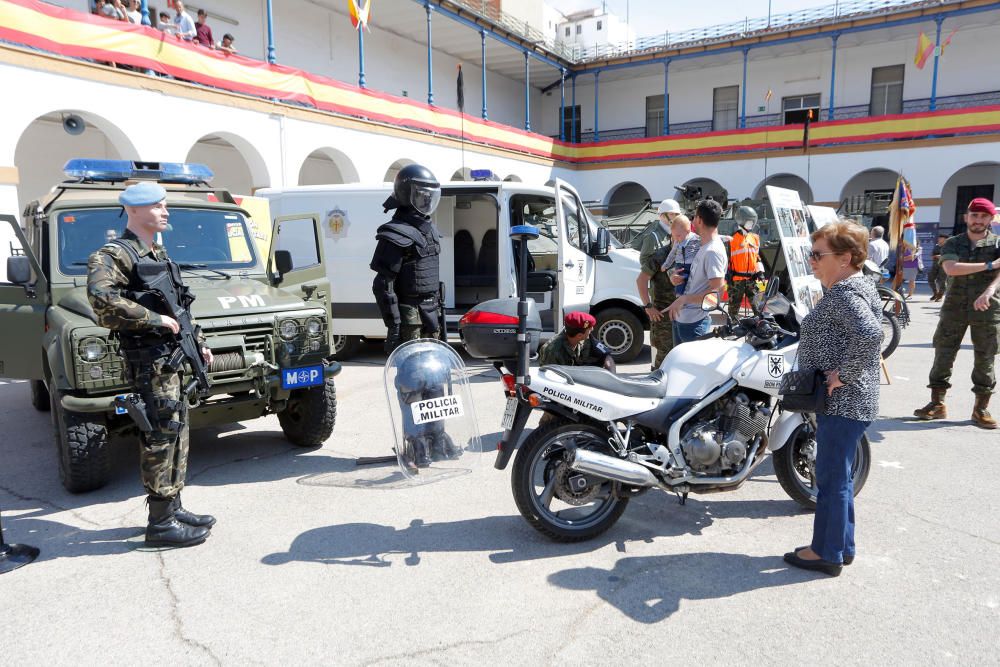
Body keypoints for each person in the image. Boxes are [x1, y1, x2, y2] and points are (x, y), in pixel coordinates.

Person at [86, 182, 216, 548]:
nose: (165, 211)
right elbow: (101, 300)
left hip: (171, 360)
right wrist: (152, 320)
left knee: (176, 429)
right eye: (158, 206)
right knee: (159, 435)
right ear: (134, 210)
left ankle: (173, 505)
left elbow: (180, 306)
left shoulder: (157, 253)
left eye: (164, 205)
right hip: (150, 362)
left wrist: (199, 343)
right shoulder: (114, 255)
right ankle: (159, 523)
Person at [784, 221, 882, 577]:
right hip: (854, 401)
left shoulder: (844, 293)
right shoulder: (857, 285)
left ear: (844, 258)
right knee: (837, 475)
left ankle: (825, 553)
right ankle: (843, 545)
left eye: (817, 254)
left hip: (844, 402)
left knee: (831, 478)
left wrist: (843, 374)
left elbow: (871, 335)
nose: (812, 260)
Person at [914, 198, 1000, 429]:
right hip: (954, 307)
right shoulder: (953, 243)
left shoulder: (998, 243)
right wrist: (991, 265)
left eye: (983, 216)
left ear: (991, 219)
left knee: (985, 358)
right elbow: (951, 269)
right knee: (943, 354)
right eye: (974, 215)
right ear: (966, 217)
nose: (978, 220)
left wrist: (990, 289)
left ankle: (980, 409)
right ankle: (937, 404)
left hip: (987, 309)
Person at [370, 164, 443, 353]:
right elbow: (383, 285)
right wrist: (394, 324)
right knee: (413, 371)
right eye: (422, 195)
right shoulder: (395, 233)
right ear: (406, 194)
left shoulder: (430, 230)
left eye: (429, 196)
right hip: (410, 318)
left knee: (434, 369)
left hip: (432, 312)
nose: (427, 200)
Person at [637, 213, 696, 369]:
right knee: (663, 359)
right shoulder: (661, 255)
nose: (682, 239)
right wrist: (648, 306)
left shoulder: (691, 251)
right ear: (672, 234)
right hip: (664, 317)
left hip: (686, 313)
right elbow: (641, 280)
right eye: (677, 236)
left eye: (685, 234)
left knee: (685, 358)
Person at [666, 199, 727, 344]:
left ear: (699, 220)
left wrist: (684, 299)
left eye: (694, 216)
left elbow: (716, 294)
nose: (692, 220)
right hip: (683, 318)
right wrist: (674, 276)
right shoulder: (703, 245)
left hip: (694, 323)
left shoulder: (712, 251)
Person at [537, 311, 615, 371]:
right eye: (589, 329)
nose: (592, 329)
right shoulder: (552, 350)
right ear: (579, 335)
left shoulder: (585, 338)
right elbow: (549, 379)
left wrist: (613, 378)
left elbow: (606, 355)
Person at [727, 205, 765, 321]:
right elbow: (726, 258)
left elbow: (757, 257)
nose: (752, 224)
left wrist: (760, 272)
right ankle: (732, 326)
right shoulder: (732, 239)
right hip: (736, 280)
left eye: (753, 221)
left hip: (751, 280)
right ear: (741, 221)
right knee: (734, 307)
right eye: (750, 221)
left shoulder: (755, 238)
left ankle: (760, 325)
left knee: (757, 307)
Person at [928, 233, 948, 301]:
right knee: (930, 279)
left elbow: (947, 255)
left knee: (942, 281)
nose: (938, 239)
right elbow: (932, 254)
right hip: (935, 264)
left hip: (944, 265)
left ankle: (940, 295)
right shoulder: (936, 246)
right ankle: (935, 293)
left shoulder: (949, 246)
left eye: (940, 238)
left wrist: (938, 256)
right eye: (939, 238)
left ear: (945, 239)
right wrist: (933, 255)